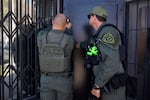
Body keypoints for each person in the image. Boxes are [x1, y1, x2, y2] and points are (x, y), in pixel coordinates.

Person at [76, 6, 126, 100]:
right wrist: (79, 45)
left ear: (94, 17)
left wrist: (97, 85)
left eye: (89, 16)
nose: (89, 19)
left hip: (111, 87)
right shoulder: (99, 34)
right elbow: (90, 43)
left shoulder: (108, 32)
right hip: (104, 83)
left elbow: (111, 63)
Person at [37, 13, 74, 100]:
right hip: (64, 81)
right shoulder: (70, 40)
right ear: (66, 25)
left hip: (46, 80)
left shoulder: (41, 37)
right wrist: (68, 28)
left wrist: (54, 23)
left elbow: (44, 31)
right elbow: (70, 35)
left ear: (53, 22)